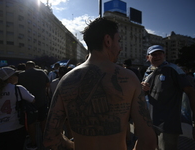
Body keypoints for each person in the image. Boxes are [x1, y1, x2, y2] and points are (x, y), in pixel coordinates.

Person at [43, 17, 157, 150]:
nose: (120, 48)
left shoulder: (66, 80)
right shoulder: (129, 78)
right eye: (118, 41)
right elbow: (148, 140)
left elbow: (50, 139)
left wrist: (73, 146)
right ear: (108, 41)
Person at [141, 45, 195, 150]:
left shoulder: (173, 70)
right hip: (151, 123)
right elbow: (145, 95)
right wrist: (142, 89)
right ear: (148, 57)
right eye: (153, 54)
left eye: (159, 54)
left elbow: (191, 92)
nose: (157, 56)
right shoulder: (148, 72)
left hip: (168, 126)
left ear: (164, 55)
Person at [0, 67, 35, 150]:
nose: (18, 77)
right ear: (10, 78)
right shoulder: (18, 89)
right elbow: (32, 100)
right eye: (16, 75)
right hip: (14, 127)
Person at [18, 61, 50, 150]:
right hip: (42, 101)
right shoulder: (41, 73)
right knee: (43, 120)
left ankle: (33, 143)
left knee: (31, 123)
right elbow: (48, 85)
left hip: (28, 103)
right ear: (34, 66)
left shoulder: (21, 75)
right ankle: (45, 140)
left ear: (26, 66)